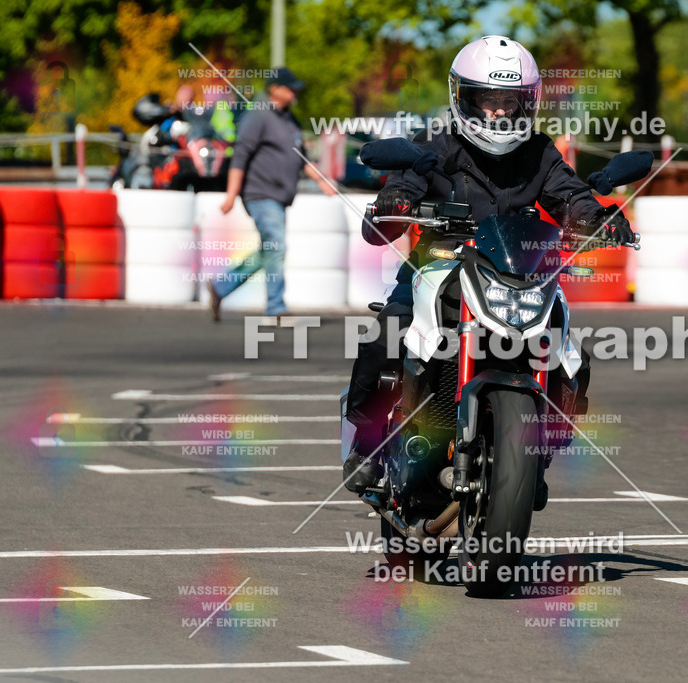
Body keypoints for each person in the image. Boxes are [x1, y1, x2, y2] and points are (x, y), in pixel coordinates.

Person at [342, 36, 634, 509]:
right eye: (488, 99)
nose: (499, 111)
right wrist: (395, 203)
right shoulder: (436, 144)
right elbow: (405, 185)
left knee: (571, 357)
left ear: (528, 102)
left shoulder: (539, 152)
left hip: (518, 276)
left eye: (510, 101)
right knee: (389, 331)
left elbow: (570, 195)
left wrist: (598, 217)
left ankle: (535, 455)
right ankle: (367, 442)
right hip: (439, 267)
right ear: (463, 98)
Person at [207, 67, 335, 320]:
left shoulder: (289, 120)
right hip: (260, 194)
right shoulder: (258, 115)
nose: (295, 92)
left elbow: (302, 158)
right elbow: (240, 155)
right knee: (276, 245)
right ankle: (276, 307)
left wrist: (323, 181)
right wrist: (231, 195)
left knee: (269, 250)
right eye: (290, 87)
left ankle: (221, 286)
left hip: (279, 198)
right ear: (275, 89)